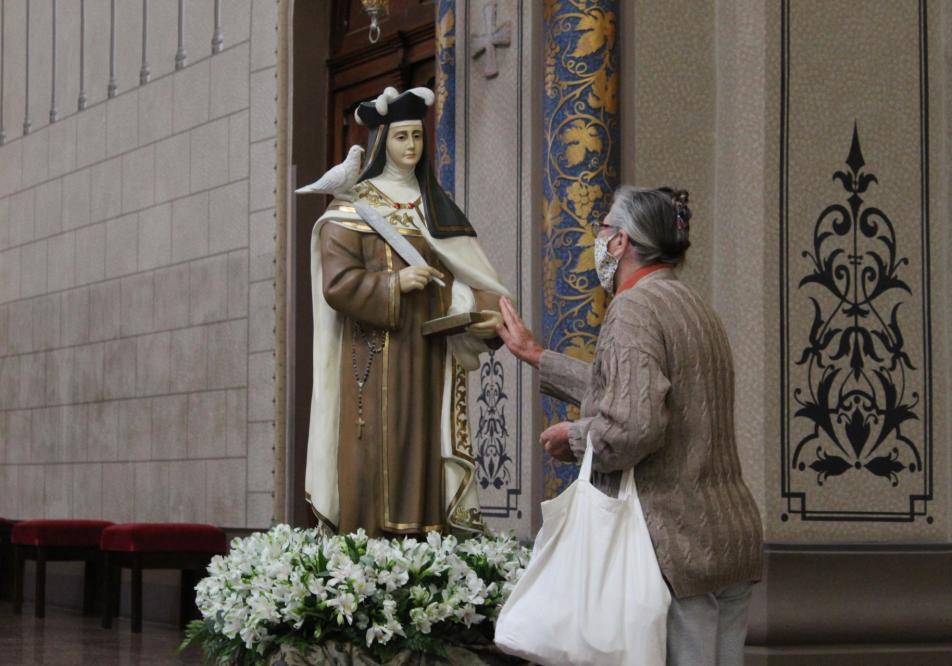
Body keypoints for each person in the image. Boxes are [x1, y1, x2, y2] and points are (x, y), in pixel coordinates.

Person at [496, 186, 764, 665]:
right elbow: (640, 392)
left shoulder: (634, 308)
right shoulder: (696, 307)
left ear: (620, 242)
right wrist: (537, 356)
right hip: (726, 537)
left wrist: (574, 438)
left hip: (674, 544)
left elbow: (635, 425)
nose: (598, 240)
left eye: (603, 230)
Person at [305, 87, 511, 537]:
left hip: (428, 355)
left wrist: (481, 311)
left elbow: (470, 277)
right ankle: (369, 553)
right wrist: (394, 283)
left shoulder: (434, 207)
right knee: (373, 450)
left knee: (422, 446)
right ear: (382, 142)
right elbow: (337, 283)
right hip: (372, 355)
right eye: (401, 138)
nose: (411, 147)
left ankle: (425, 547)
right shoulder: (353, 207)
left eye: (417, 136)